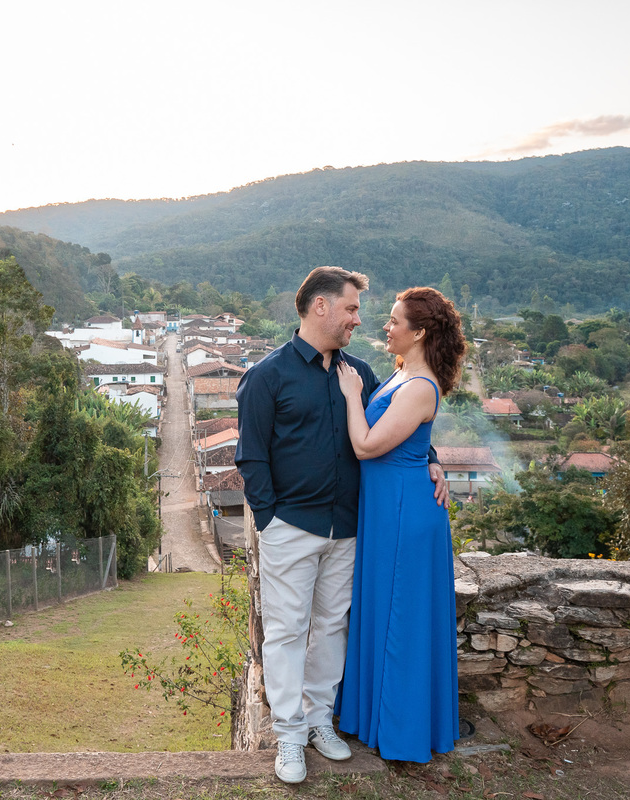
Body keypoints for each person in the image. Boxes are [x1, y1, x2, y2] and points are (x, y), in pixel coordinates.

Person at [235, 267, 448, 784]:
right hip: (291, 527)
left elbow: (397, 423)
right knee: (286, 633)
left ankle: (317, 723)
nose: (359, 318)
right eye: (351, 308)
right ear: (320, 307)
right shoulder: (268, 376)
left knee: (332, 628)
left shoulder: (359, 373)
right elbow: (251, 457)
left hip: (350, 529)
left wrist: (433, 458)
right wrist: (270, 521)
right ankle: (289, 738)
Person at [334, 286, 467, 763]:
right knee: (382, 610)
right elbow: (410, 442)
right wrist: (430, 459)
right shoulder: (401, 375)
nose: (385, 328)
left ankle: (401, 731)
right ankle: (373, 718)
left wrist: (352, 395)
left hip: (404, 513)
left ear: (420, 332)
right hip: (389, 504)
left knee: (401, 619)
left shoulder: (419, 386)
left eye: (393, 321)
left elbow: (367, 446)